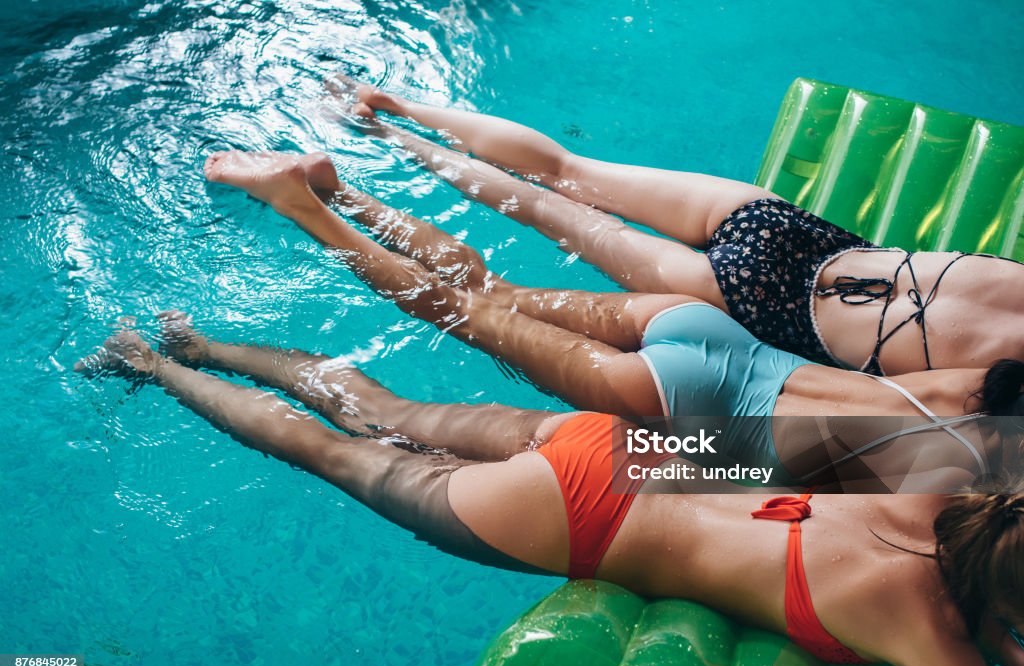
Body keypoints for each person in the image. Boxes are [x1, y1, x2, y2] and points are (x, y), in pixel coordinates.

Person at [77, 319, 1024, 666]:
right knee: (335, 457)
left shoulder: (943, 497)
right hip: (590, 520)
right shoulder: (937, 640)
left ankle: (187, 345)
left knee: (382, 408)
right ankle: (152, 371)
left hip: (640, 454)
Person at [201, 150, 1020, 488]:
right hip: (689, 401)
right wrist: (688, 467)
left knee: (492, 289)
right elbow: (795, 478)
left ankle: (339, 189)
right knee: (461, 312)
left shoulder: (991, 380)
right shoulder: (977, 480)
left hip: (706, 331)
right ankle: (306, 208)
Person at [322, 74, 1024, 377]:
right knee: (541, 208)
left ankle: (393, 111)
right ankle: (402, 146)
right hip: (764, 302)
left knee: (566, 168)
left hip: (796, 234)